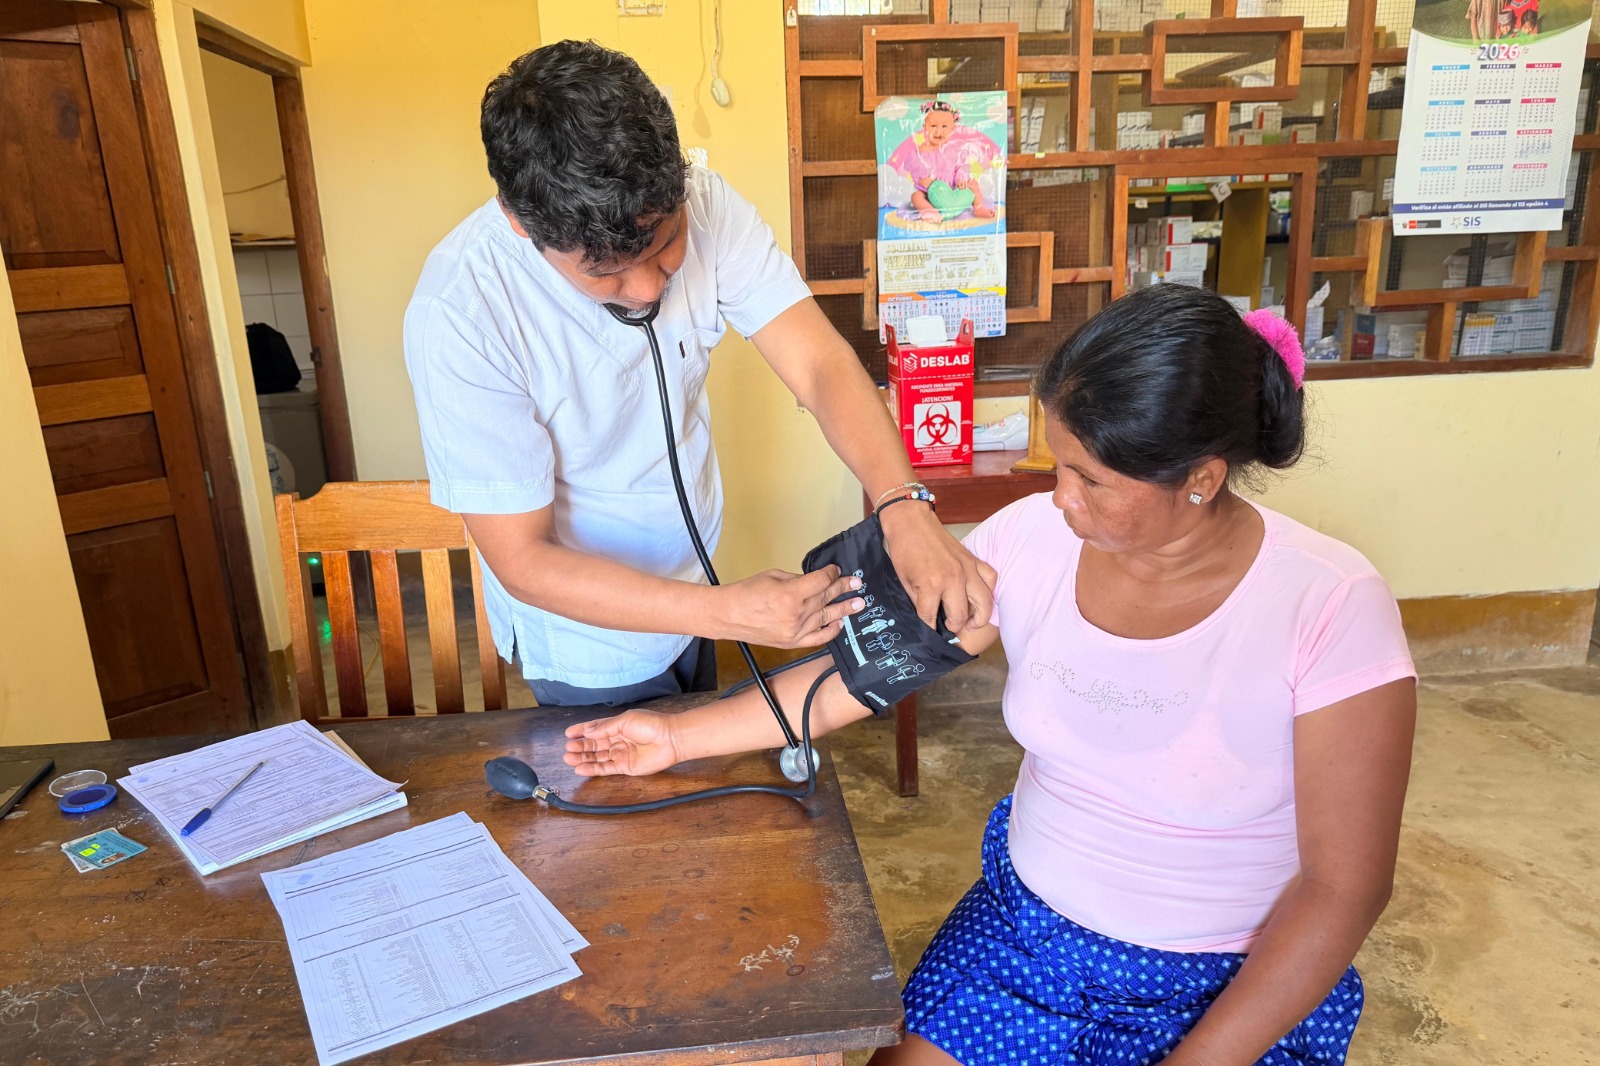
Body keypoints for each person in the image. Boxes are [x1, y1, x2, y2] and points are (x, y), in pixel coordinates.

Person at [563, 284, 1419, 1065]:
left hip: (1224, 984)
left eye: (1090, 479)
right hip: (1028, 944)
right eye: (1059, 464)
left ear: (1200, 478)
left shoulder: (1330, 603)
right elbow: (862, 673)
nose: (1061, 498)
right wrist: (672, 735)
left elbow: (1344, 888)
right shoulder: (1034, 541)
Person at [404, 41, 990, 707]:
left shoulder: (708, 203)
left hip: (700, 588)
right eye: (607, 273)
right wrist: (729, 613)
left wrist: (902, 505)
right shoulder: (462, 312)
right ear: (520, 224)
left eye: (665, 244)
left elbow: (821, 363)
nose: (650, 288)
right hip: (589, 637)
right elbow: (524, 560)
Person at [887, 100, 1000, 224]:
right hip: (931, 192)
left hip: (954, 189)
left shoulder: (954, 148)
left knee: (973, 184)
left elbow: (961, 167)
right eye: (933, 126)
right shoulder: (919, 151)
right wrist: (922, 181)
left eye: (944, 127)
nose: (938, 131)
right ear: (925, 127)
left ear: (952, 129)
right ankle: (931, 212)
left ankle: (978, 208)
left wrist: (960, 180)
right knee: (916, 196)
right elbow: (915, 173)